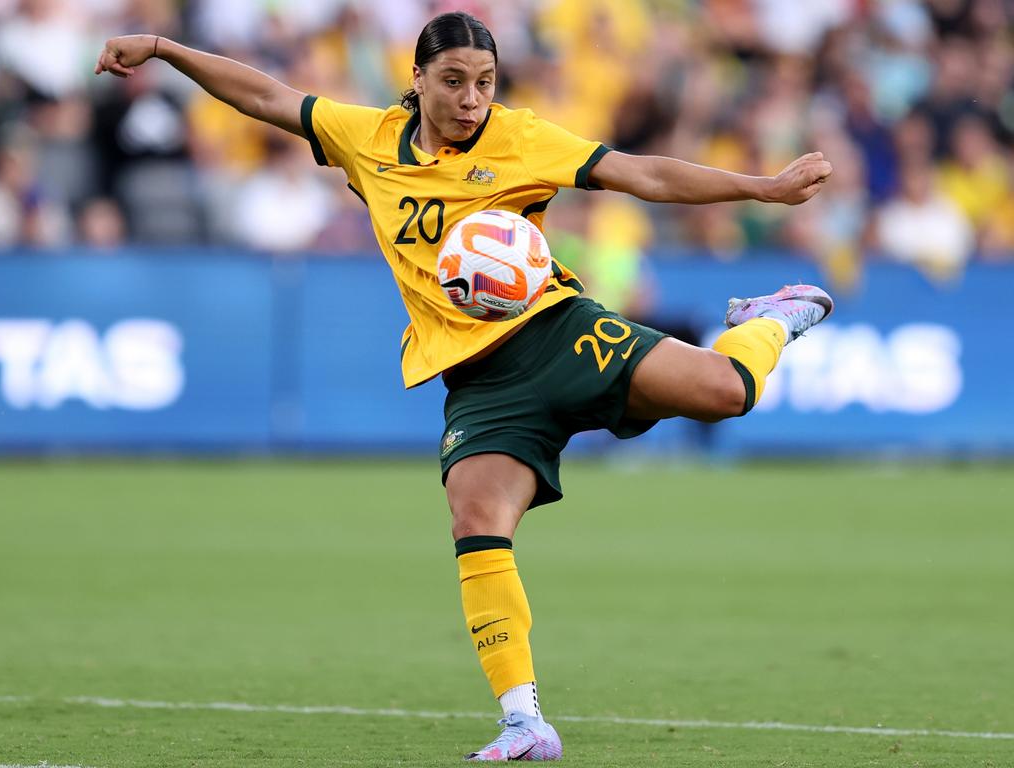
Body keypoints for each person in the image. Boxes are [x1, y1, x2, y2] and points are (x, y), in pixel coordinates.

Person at [95, 12, 834, 762]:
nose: (471, 98)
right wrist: (162, 47)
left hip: (558, 332)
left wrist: (762, 189)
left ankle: (768, 318)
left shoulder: (523, 139)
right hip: (480, 382)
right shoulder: (368, 137)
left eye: (484, 82)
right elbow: (265, 97)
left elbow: (640, 174)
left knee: (727, 391)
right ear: (416, 80)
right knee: (476, 517)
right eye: (453, 81)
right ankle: (525, 722)